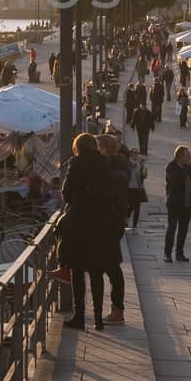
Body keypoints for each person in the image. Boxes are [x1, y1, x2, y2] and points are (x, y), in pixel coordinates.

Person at [60, 133, 119, 331]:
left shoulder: (76, 163)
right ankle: (98, 318)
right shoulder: (105, 164)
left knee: (77, 271)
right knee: (96, 271)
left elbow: (66, 193)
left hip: (80, 224)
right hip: (101, 225)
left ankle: (79, 316)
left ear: (77, 147)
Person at [100, 134, 131, 324]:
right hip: (112, 222)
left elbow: (110, 196)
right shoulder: (115, 166)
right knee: (110, 266)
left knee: (111, 266)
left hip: (111, 223)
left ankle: (118, 309)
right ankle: (116, 308)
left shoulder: (113, 170)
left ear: (104, 149)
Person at [164, 145, 191, 263]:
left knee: (183, 230)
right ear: (180, 156)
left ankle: (179, 253)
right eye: (188, 155)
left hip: (188, 204)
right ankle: (167, 254)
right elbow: (174, 180)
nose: (190, 157)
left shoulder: (189, 167)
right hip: (174, 203)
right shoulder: (171, 166)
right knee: (172, 228)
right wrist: (185, 168)